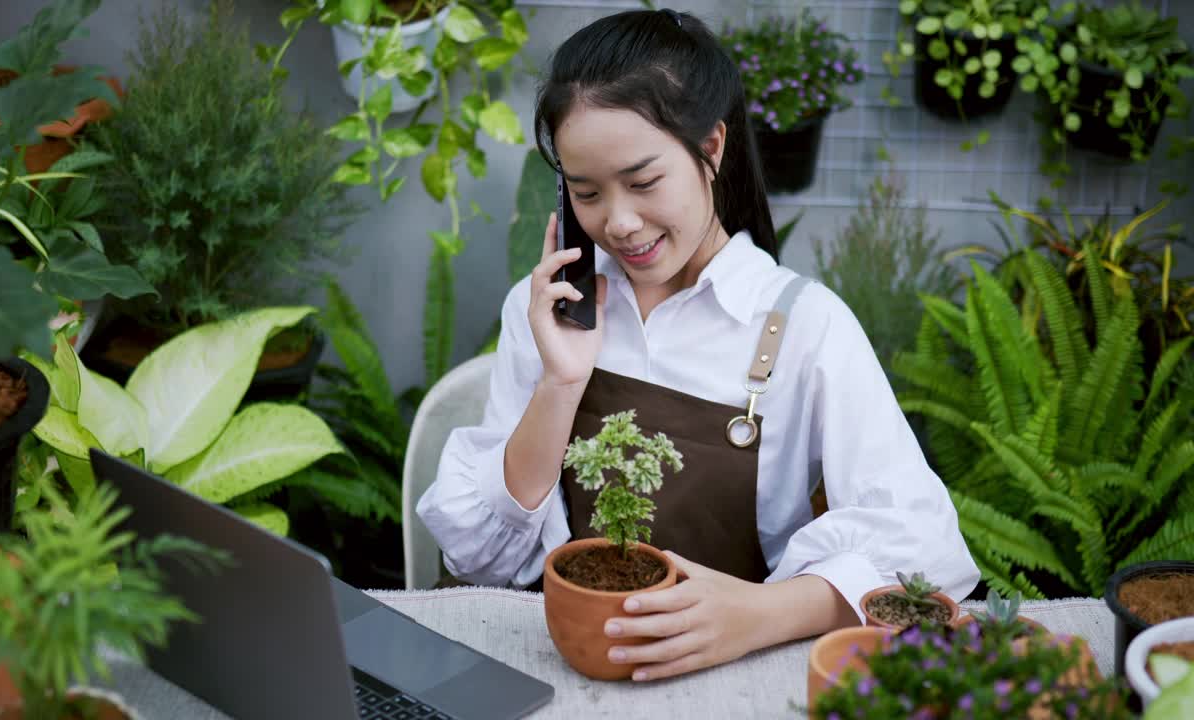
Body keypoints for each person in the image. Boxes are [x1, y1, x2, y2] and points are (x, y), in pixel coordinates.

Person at [417, 8, 979, 682]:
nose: (619, 222)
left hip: (728, 676)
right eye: (586, 191)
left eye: (645, 182)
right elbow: (483, 559)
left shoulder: (805, 325)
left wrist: (759, 614)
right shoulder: (547, 312)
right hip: (569, 665)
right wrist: (561, 383)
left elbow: (924, 548)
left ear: (711, 149)